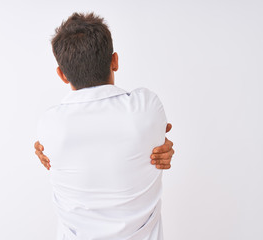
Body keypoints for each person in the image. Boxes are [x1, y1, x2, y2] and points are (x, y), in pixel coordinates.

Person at [34, 12, 175, 240]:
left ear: (62, 74)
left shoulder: (50, 125)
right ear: (115, 60)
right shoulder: (147, 108)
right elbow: (155, 138)